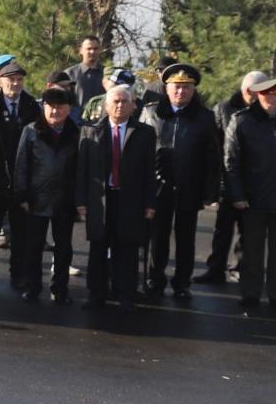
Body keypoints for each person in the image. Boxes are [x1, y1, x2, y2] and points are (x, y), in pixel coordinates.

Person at [137, 63, 221, 300]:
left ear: (193, 90)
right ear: (167, 88)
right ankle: (155, 278)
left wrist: (210, 191)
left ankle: (182, 282)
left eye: (186, 87)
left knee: (186, 239)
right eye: (176, 87)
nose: (181, 92)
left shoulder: (205, 117)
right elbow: (139, 151)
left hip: (189, 186)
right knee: (157, 237)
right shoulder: (151, 112)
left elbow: (213, 157)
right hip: (157, 187)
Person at [78, 86, 157, 310]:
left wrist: (150, 202)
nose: (120, 105)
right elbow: (82, 170)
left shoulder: (145, 133)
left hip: (130, 199)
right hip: (100, 201)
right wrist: (81, 201)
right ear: (106, 105)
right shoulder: (90, 131)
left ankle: (126, 295)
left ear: (133, 106)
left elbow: (149, 171)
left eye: (125, 101)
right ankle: (96, 295)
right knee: (98, 249)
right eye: (116, 101)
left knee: (127, 249)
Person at [15, 87, 82, 304]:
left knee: (64, 248)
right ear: (44, 107)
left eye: (60, 107)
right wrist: (22, 196)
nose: (55, 111)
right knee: (33, 246)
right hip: (37, 198)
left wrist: (79, 200)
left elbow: (82, 169)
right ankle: (32, 287)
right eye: (50, 107)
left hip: (65, 199)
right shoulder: (31, 130)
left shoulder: (76, 132)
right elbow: (21, 166)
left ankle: (60, 289)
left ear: (69, 109)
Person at [203, 72, 269, 284]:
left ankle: (240, 268)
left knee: (247, 231)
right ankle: (215, 269)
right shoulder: (223, 109)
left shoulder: (266, 112)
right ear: (247, 91)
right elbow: (214, 147)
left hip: (255, 182)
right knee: (223, 228)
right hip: (227, 179)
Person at [0, 61, 39, 293]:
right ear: (0, 81)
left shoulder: (32, 107)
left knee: (20, 231)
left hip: (22, 179)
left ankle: (18, 273)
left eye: (19, 80)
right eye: (10, 79)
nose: (15, 84)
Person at [223, 73, 276, 310]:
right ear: (258, 95)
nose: (272, 98)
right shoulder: (242, 121)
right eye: (268, 94)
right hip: (252, 199)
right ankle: (251, 294)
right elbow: (231, 161)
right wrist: (238, 195)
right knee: (252, 252)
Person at [65, 36, 104, 109]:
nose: (92, 52)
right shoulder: (69, 74)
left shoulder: (107, 74)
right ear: (81, 51)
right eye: (89, 49)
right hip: (77, 119)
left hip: (102, 118)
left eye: (95, 49)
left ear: (99, 50)